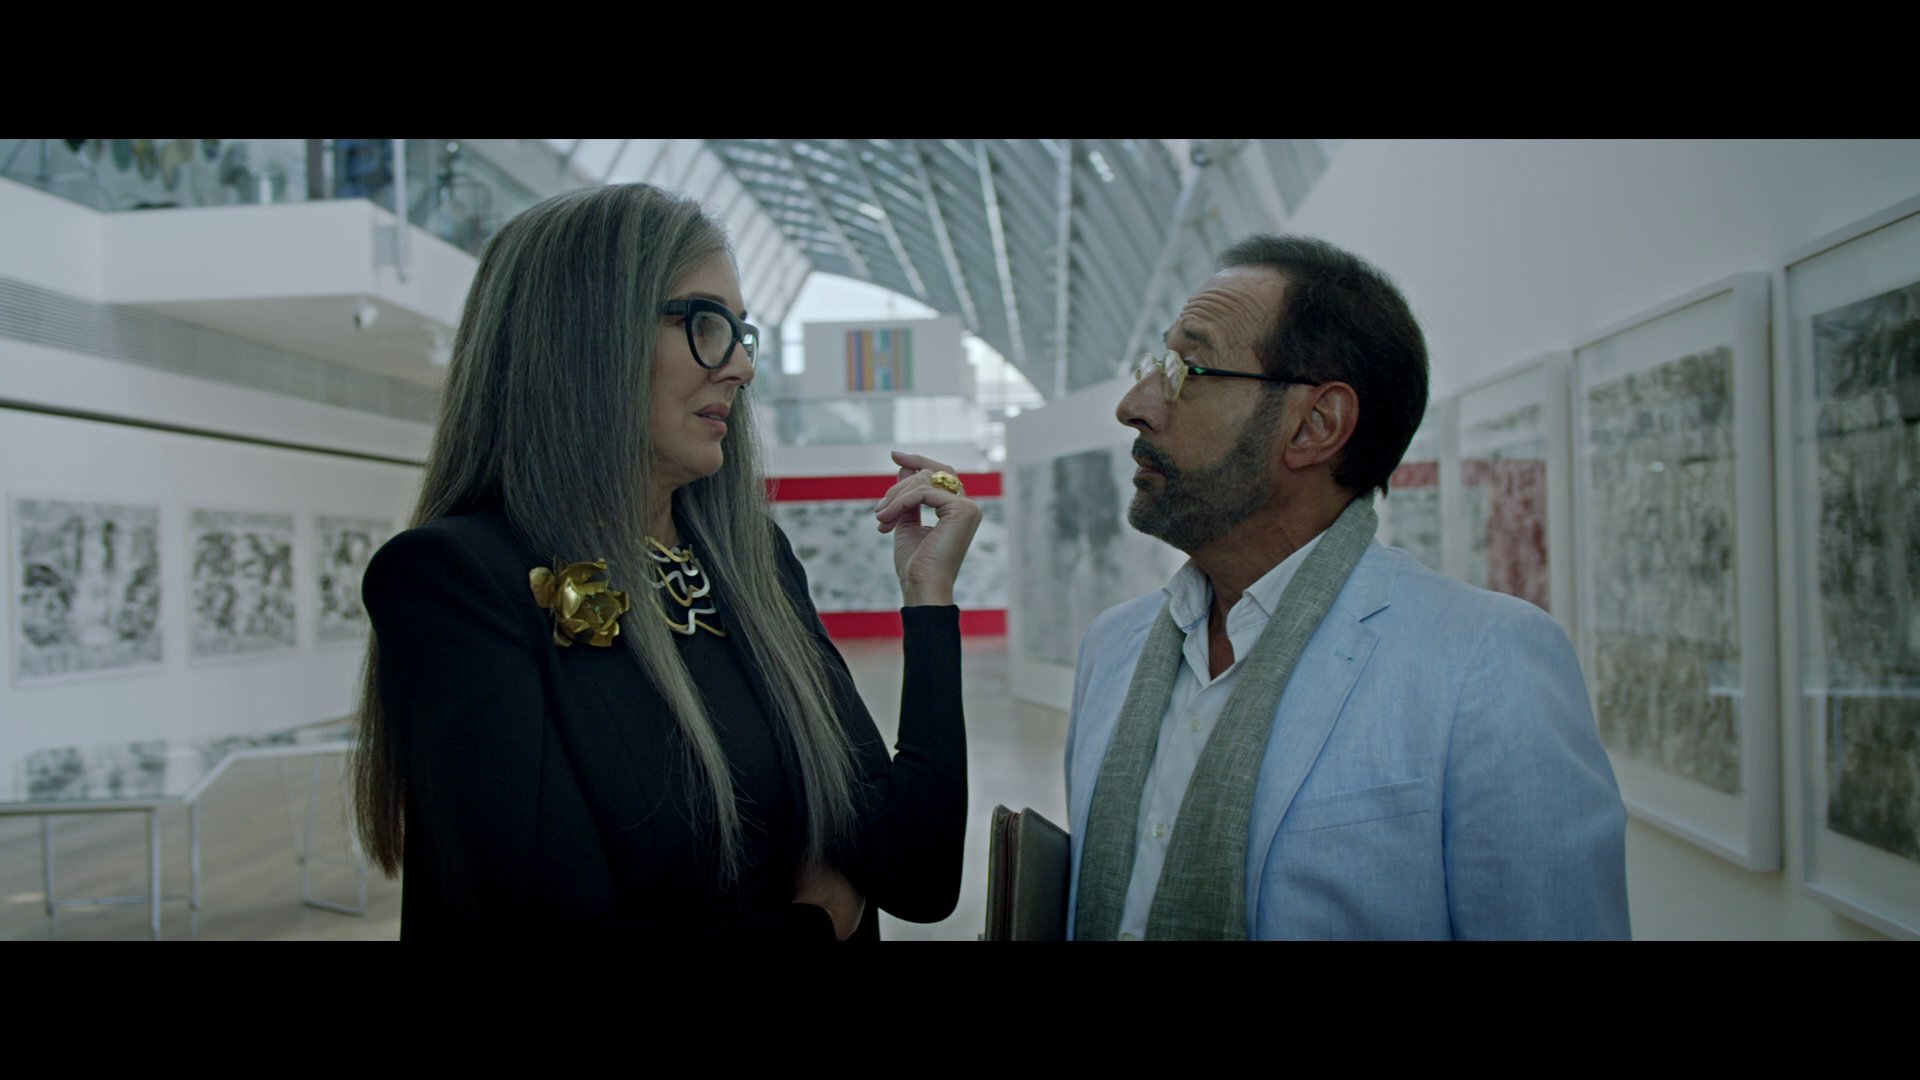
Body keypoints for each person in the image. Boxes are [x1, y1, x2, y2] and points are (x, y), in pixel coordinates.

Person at [351, 183, 981, 941]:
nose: (741, 367)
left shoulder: (753, 562)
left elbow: (918, 875)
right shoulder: (457, 582)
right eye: (707, 324)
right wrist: (815, 924)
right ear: (586, 335)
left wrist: (928, 597)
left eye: (742, 333)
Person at [1065, 235, 1629, 940]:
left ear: (1316, 425)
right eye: (1156, 365)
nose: (1135, 405)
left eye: (1188, 369)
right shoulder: (1112, 648)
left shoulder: (1485, 664)